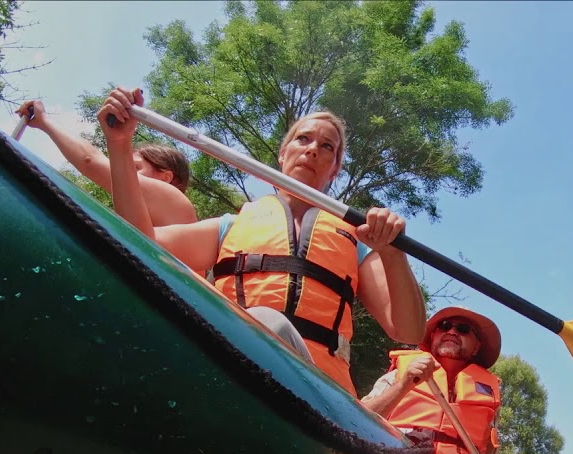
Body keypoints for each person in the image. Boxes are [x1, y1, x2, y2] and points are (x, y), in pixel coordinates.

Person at [97, 88, 425, 394]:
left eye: (327, 147)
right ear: (283, 154)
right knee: (264, 324)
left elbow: (408, 330)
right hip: (232, 366)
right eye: (303, 139)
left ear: (335, 168)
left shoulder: (356, 241)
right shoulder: (232, 226)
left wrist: (393, 254)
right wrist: (120, 145)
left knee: (270, 325)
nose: (312, 149)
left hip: (322, 391)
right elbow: (142, 244)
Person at [362, 307, 528, 454]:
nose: (451, 331)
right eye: (444, 326)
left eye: (462, 329)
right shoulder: (400, 374)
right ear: (433, 337)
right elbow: (359, 416)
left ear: (476, 347)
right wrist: (404, 386)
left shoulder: (487, 398)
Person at [15, 99, 198, 228]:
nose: (122, 173)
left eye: (135, 167)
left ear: (165, 177)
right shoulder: (143, 227)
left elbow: (91, 161)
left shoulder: (176, 203)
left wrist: (44, 120)